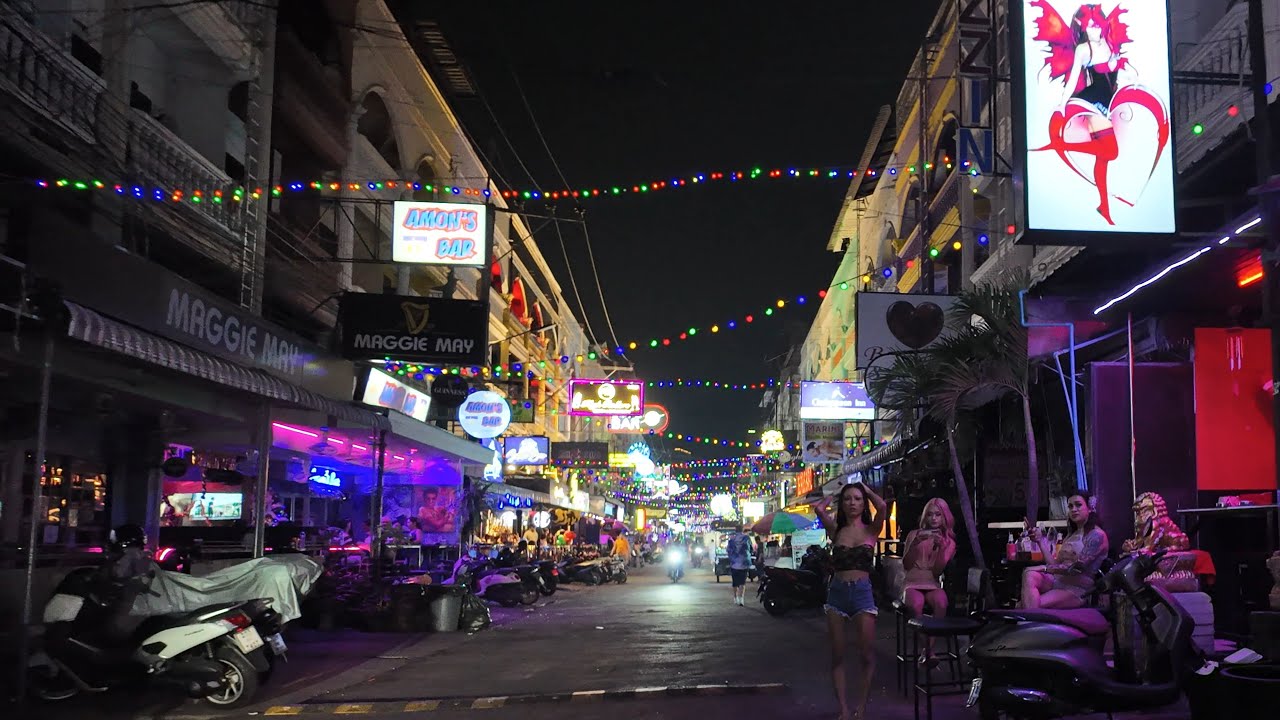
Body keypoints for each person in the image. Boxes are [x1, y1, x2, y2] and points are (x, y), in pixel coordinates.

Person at [815, 481, 887, 720]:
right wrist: (837, 491)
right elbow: (818, 509)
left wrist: (865, 489)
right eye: (848, 499)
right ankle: (844, 710)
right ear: (842, 504)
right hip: (837, 593)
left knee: (866, 654)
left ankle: (862, 706)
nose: (852, 503)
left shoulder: (871, 530)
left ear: (863, 503)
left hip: (862, 594)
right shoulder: (836, 530)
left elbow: (883, 506)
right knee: (838, 654)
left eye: (857, 499)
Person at [1020, 491, 1109, 610]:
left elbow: (1076, 569)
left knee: (1025, 605)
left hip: (1077, 588)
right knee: (1029, 574)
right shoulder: (1071, 535)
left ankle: (1032, 624)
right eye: (1070, 506)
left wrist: (1044, 568)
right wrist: (1040, 541)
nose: (1073, 509)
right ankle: (1031, 622)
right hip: (1057, 581)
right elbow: (1055, 565)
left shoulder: (1096, 535)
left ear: (1090, 508)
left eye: (1078, 505)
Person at [901, 498, 957, 665]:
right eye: (930, 515)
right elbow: (906, 564)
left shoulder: (949, 542)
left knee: (941, 602)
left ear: (944, 517)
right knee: (916, 604)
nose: (933, 519)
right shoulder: (914, 534)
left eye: (938, 515)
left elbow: (937, 571)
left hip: (932, 582)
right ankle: (929, 651)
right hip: (912, 581)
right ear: (924, 517)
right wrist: (915, 543)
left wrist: (941, 549)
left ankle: (927, 650)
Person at [725, 525, 754, 606]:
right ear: (742, 530)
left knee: (735, 582)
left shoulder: (732, 539)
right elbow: (751, 549)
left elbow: (728, 550)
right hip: (744, 563)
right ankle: (741, 599)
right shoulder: (746, 538)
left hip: (734, 564)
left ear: (735, 530)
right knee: (742, 582)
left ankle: (735, 598)